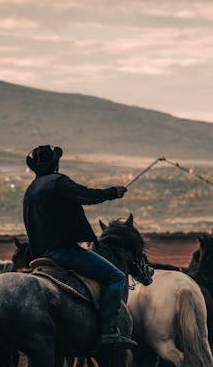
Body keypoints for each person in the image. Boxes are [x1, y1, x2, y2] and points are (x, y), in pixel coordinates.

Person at [22, 144, 135, 347]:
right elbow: (86, 195)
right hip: (64, 252)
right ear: (55, 163)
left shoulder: (30, 190)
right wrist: (113, 192)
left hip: (40, 254)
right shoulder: (57, 182)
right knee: (116, 277)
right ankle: (108, 332)